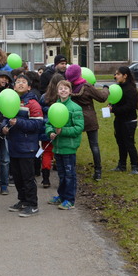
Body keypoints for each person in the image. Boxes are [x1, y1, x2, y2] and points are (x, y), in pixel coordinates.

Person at [2, 74, 44, 217]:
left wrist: (18, 123)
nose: (20, 84)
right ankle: (22, 200)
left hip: (27, 147)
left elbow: (38, 124)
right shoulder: (10, 101)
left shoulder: (32, 103)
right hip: (14, 146)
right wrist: (4, 127)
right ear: (13, 86)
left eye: (23, 82)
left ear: (29, 87)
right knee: (18, 177)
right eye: (17, 82)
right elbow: (5, 118)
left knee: (27, 177)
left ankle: (32, 204)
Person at [45, 80, 85, 210]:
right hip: (58, 147)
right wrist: (50, 132)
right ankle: (61, 196)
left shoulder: (75, 108)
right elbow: (49, 124)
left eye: (66, 88)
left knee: (69, 174)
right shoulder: (54, 107)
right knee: (61, 174)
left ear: (70, 91)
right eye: (60, 88)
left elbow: (79, 128)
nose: (63, 90)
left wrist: (63, 131)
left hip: (69, 147)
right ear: (57, 91)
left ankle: (70, 199)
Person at [66, 64, 110, 181]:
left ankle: (69, 168)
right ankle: (98, 171)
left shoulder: (67, 88)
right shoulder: (87, 87)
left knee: (72, 145)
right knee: (94, 145)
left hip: (74, 119)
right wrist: (106, 89)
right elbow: (102, 97)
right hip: (89, 118)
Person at [110, 66, 138, 174]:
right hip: (119, 120)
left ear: (125, 76)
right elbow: (116, 100)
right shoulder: (118, 88)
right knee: (120, 143)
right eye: (116, 74)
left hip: (129, 121)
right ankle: (121, 165)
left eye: (118, 74)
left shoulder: (130, 89)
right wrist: (111, 105)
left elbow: (129, 106)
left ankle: (135, 167)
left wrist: (114, 109)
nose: (116, 76)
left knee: (129, 143)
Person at [38, 73, 65, 188]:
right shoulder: (62, 98)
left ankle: (45, 179)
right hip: (59, 128)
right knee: (60, 154)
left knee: (47, 153)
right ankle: (62, 179)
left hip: (46, 128)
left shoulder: (44, 97)